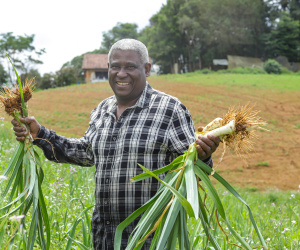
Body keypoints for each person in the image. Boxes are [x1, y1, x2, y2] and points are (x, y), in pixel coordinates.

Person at [12, 39, 220, 250]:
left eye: (130, 66)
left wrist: (203, 155)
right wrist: (40, 135)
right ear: (108, 68)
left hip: (148, 240)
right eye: (115, 66)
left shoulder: (170, 109)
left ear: (146, 69)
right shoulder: (102, 110)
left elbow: (190, 169)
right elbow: (85, 152)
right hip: (104, 238)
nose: (121, 73)